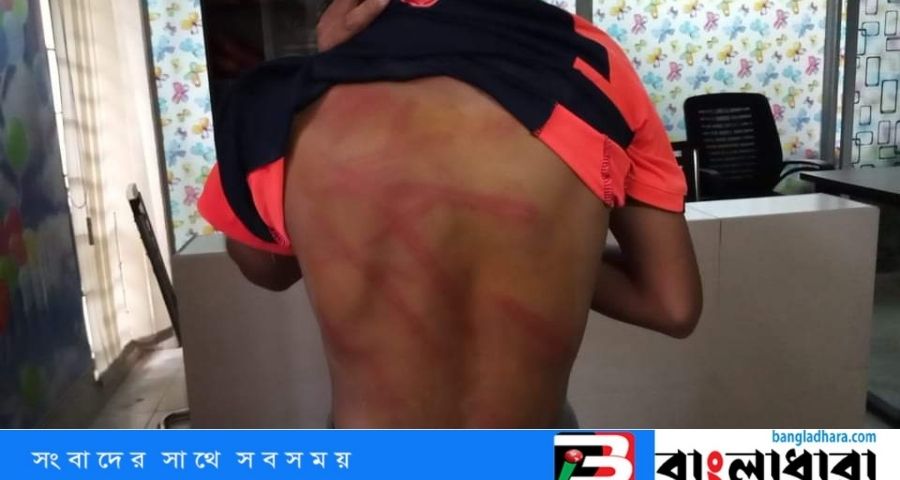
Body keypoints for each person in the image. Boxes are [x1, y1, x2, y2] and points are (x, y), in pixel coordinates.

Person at [199, 0, 702, 428]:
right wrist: (541, 251)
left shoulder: (282, 103)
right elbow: (671, 304)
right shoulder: (592, 65)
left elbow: (262, 264)